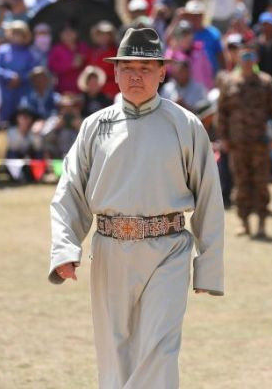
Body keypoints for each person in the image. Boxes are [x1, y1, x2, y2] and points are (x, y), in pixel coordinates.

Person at [48, 27, 224, 388]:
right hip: (110, 249)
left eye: (145, 68)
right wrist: (65, 248)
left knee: (158, 350)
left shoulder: (185, 125)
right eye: (127, 67)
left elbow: (208, 196)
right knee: (114, 354)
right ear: (114, 73)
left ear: (162, 72)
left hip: (169, 249)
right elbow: (69, 192)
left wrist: (207, 266)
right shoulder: (95, 127)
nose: (135, 76)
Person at [217, 43, 272, 237]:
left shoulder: (266, 82)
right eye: (243, 57)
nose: (247, 61)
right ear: (237, 59)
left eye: (250, 57)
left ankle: (262, 222)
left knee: (261, 183)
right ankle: (244, 222)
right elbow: (222, 113)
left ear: (256, 60)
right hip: (238, 143)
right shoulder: (229, 82)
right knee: (241, 183)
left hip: (260, 143)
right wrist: (224, 139)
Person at [0, 21, 39, 122]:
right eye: (14, 33)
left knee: (21, 119)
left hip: (23, 92)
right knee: (3, 122)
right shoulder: (2, 50)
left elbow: (32, 72)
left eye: (20, 34)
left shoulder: (29, 53)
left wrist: (19, 78)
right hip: (4, 91)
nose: (17, 37)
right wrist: (9, 76)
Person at [48, 23, 90, 94]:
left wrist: (84, 61)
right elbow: (52, 66)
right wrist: (70, 64)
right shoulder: (56, 49)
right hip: (63, 89)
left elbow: (91, 64)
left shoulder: (83, 47)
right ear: (61, 35)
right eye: (65, 32)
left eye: (71, 32)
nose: (68, 35)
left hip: (83, 88)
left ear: (76, 34)